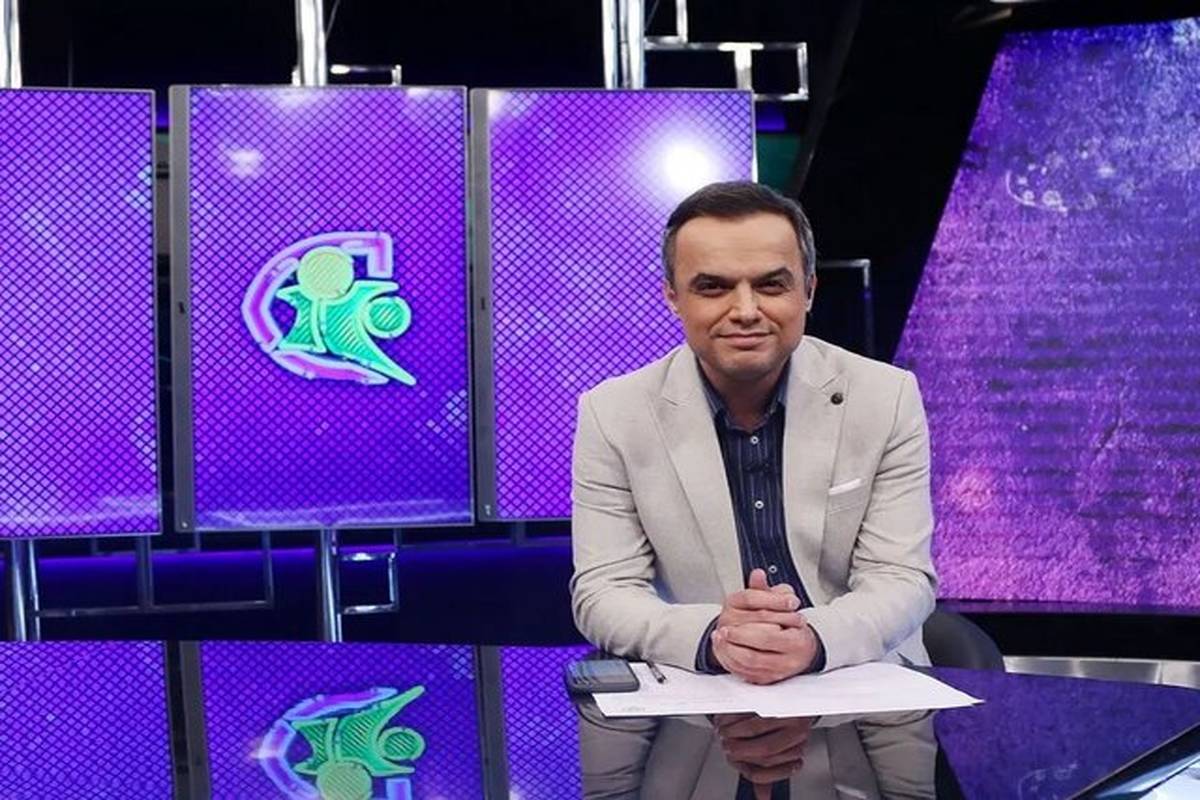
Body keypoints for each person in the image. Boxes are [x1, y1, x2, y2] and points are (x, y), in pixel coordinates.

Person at [570, 181, 937, 684]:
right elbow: (603, 592)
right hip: (706, 693)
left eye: (770, 285)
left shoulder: (885, 397)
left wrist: (812, 640)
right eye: (713, 287)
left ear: (808, 291)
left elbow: (901, 577)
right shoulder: (613, 413)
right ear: (673, 297)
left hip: (860, 680)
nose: (745, 311)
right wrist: (715, 636)